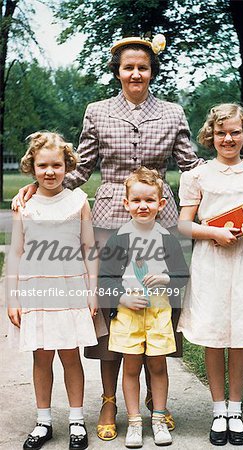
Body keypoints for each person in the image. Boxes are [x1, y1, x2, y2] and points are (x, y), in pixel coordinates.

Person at [12, 35, 243, 440]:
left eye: (142, 67)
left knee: (158, 309)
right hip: (112, 216)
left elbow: (192, 163)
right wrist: (38, 189)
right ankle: (110, 400)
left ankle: (155, 404)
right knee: (113, 315)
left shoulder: (172, 112)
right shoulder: (97, 111)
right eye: (128, 67)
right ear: (118, 71)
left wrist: (233, 158)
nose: (135, 74)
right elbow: (82, 167)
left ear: (151, 71)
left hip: (159, 217)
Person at [177, 104, 243, 446]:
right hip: (211, 260)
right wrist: (213, 233)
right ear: (211, 135)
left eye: (234, 132)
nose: (228, 138)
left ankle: (236, 409)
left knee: (240, 334)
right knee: (214, 333)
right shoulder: (198, 176)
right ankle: (218, 410)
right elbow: (184, 223)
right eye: (221, 133)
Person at [6, 131, 107, 450]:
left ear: (67, 166)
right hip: (35, 291)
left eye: (57, 165)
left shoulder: (78, 201)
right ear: (32, 167)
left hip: (71, 288)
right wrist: (12, 297)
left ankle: (76, 420)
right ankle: (44, 421)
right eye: (43, 166)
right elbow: (16, 252)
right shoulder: (25, 205)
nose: (50, 172)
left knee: (71, 356)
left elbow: (90, 247)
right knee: (41, 357)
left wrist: (92, 292)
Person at [99, 167, 189, 448]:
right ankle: (135, 421)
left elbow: (182, 275)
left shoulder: (167, 239)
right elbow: (105, 278)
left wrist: (165, 278)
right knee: (130, 367)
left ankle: (159, 418)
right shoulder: (119, 238)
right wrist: (122, 298)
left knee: (158, 366)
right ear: (126, 204)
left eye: (149, 200)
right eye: (136, 200)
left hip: (159, 313)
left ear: (161, 204)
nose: (143, 206)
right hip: (128, 314)